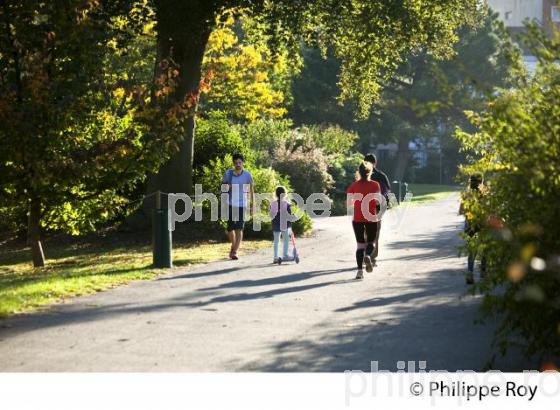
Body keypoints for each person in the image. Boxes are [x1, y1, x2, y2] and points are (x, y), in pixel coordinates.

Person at [346, 161, 381, 279]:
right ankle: (368, 255)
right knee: (371, 242)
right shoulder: (375, 185)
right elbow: (377, 202)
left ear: (359, 172)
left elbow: (348, 204)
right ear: (370, 172)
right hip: (371, 217)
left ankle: (359, 272)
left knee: (360, 245)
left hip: (357, 218)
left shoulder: (353, 186)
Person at [221, 153, 255, 260]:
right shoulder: (228, 174)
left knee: (239, 228)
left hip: (242, 204)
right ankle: (233, 246)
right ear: (233, 163)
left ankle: (234, 251)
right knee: (230, 229)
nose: (238, 164)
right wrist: (229, 187)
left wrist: (252, 204)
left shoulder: (247, 175)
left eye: (240, 162)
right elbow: (222, 188)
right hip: (230, 203)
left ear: (243, 163)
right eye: (236, 163)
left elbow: (252, 190)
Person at [459, 173, 487, 284]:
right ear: (482, 181)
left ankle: (470, 273)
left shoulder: (466, 194)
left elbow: (461, 211)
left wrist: (469, 214)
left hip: (470, 225)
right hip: (483, 224)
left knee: (472, 249)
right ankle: (483, 271)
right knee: (485, 247)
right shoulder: (485, 193)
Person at [364, 153, 391, 264]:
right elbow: (388, 192)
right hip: (378, 207)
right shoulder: (381, 176)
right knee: (375, 232)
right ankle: (372, 257)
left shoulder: (361, 175)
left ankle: (366, 254)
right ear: (375, 163)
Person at [269, 186, 293, 264]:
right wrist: (290, 225)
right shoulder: (287, 204)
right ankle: (285, 254)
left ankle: (275, 257)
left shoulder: (273, 204)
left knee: (276, 241)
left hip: (275, 224)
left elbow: (271, 215)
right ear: (285, 194)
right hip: (284, 224)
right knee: (286, 239)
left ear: (275, 194)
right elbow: (289, 216)